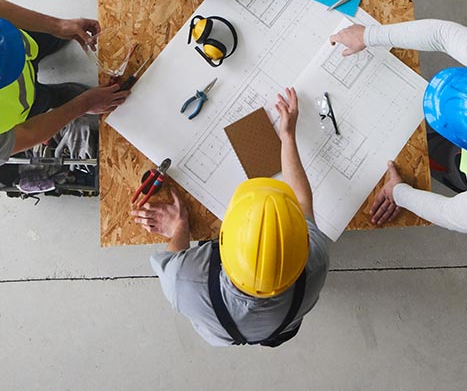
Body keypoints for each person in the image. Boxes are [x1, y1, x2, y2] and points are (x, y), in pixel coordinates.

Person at [132, 87, 329, 346]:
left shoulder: (185, 281)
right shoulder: (315, 264)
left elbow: (171, 258)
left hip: (220, 329)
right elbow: (302, 200)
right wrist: (287, 137)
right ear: (301, 243)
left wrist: (179, 228)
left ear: (221, 239)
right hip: (283, 319)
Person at [330, 20, 467, 236]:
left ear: (465, 144)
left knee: (441, 161)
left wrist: (399, 192)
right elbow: (441, 34)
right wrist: (368, 36)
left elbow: (446, 212)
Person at [0, 0, 130, 165]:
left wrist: (58, 26)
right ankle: (55, 96)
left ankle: (51, 41)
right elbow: (29, 133)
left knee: (48, 38)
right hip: (23, 106)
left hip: (18, 40)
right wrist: (86, 103)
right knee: (45, 99)